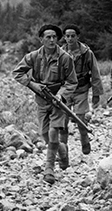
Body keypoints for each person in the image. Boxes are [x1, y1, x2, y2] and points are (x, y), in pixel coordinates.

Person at [13, 24, 78, 184]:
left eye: (54, 37)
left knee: (53, 132)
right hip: (41, 100)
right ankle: (62, 150)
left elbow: (71, 81)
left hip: (58, 102)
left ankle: (49, 169)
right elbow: (17, 73)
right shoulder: (33, 57)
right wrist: (32, 85)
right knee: (44, 134)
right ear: (41, 39)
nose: (51, 40)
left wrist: (61, 96)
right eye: (48, 37)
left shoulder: (64, 58)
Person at [61, 24, 104, 162]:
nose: (70, 38)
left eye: (73, 36)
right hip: (65, 90)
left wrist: (96, 93)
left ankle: (84, 140)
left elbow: (95, 72)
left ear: (77, 37)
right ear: (64, 37)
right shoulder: (60, 53)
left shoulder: (87, 53)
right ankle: (63, 152)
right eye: (67, 36)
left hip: (81, 89)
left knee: (80, 119)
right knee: (63, 122)